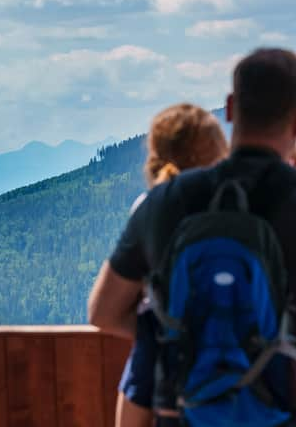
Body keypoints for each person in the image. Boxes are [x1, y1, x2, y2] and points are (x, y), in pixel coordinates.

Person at [88, 48, 296, 426]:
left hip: (185, 412)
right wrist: (294, 140)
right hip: (285, 415)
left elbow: (103, 312)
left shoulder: (166, 201)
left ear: (231, 107)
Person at [117, 103, 229, 427]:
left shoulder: (153, 206)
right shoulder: (241, 201)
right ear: (220, 151)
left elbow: (102, 312)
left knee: (149, 322)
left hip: (169, 368)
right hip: (249, 355)